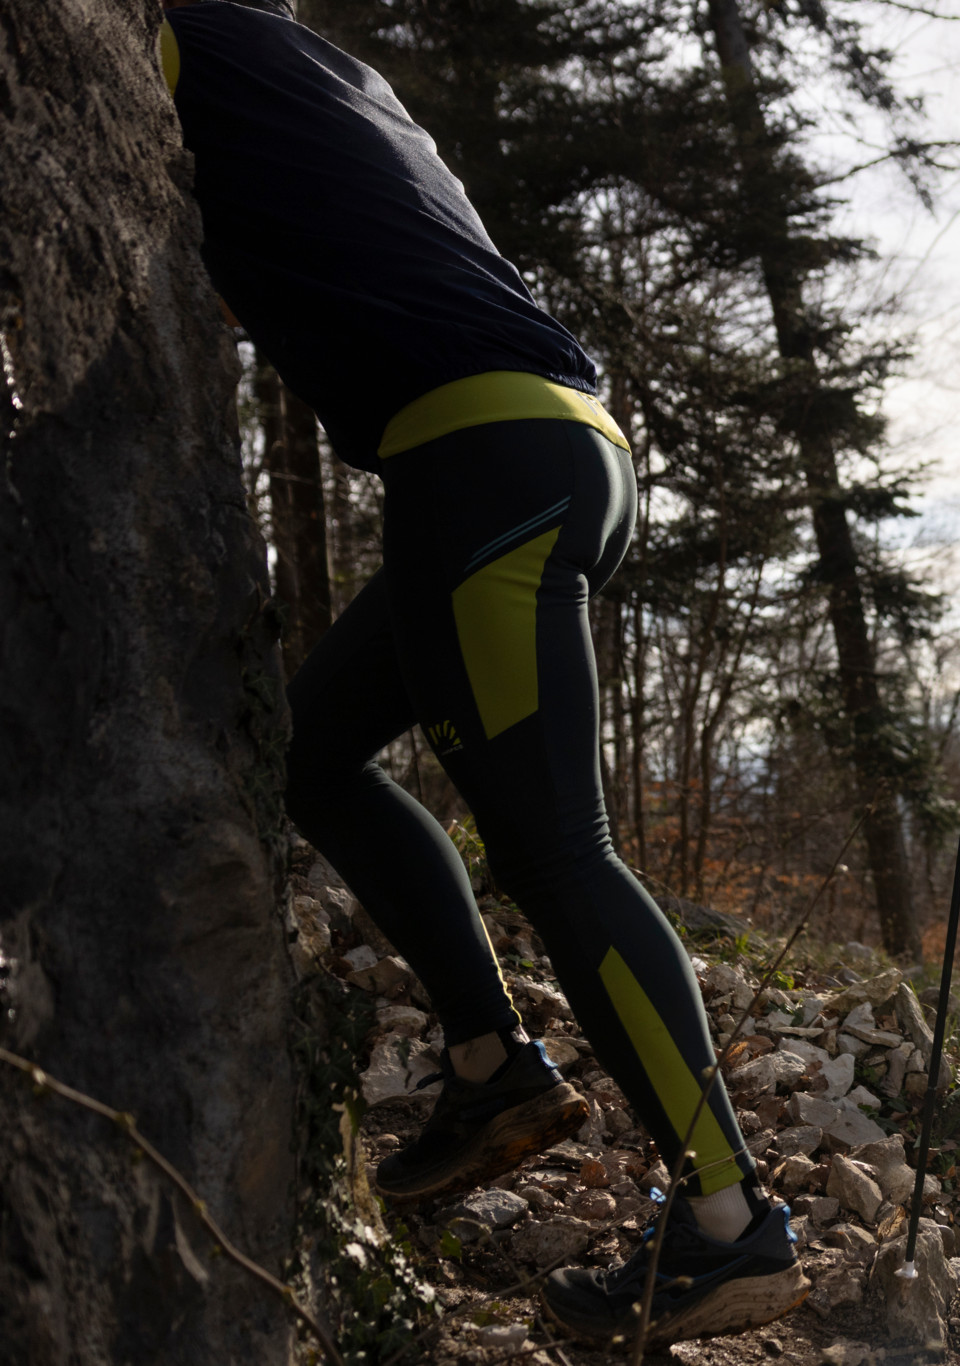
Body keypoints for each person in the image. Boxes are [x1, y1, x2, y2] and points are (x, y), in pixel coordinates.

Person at [155, 0, 801, 1344]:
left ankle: (730, 1223)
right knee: (310, 751)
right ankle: (489, 1061)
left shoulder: (173, 38)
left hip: (480, 463)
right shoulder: (334, 75)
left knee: (560, 857)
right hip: (559, 444)